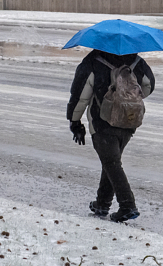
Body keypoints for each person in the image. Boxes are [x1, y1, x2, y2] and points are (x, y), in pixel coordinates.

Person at [66, 49, 155, 222]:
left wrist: (74, 121)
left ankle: (127, 205)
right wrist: (128, 96)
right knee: (111, 161)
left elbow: (80, 96)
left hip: (103, 121)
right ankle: (102, 203)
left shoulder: (93, 60)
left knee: (111, 162)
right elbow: (148, 85)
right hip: (129, 119)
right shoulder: (136, 60)